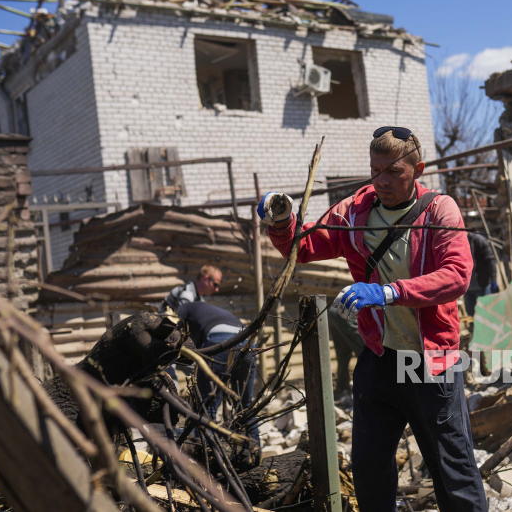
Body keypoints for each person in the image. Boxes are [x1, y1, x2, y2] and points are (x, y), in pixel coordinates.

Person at [257, 127, 486, 512]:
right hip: (380, 356)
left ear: (417, 169)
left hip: (430, 360)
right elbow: (306, 246)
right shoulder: (354, 210)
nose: (381, 181)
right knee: (369, 466)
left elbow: (457, 275)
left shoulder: (438, 210)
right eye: (375, 170)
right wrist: (282, 222)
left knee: (451, 466)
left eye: (393, 172)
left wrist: (389, 292)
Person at [177, 301, 260, 445]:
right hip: (246, 342)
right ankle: (254, 450)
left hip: (220, 339)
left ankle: (206, 455)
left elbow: (175, 335)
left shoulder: (182, 308)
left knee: (206, 408)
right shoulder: (211, 311)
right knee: (245, 406)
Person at [327, 306, 364, 401]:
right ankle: (367, 392)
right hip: (348, 313)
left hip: (336, 310)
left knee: (343, 354)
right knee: (366, 353)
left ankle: (342, 389)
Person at [464, 232, 498, 317]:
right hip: (468, 287)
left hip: (482, 285)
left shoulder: (478, 240)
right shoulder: (459, 243)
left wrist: (494, 280)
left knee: (486, 314)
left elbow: (491, 261)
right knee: (471, 315)